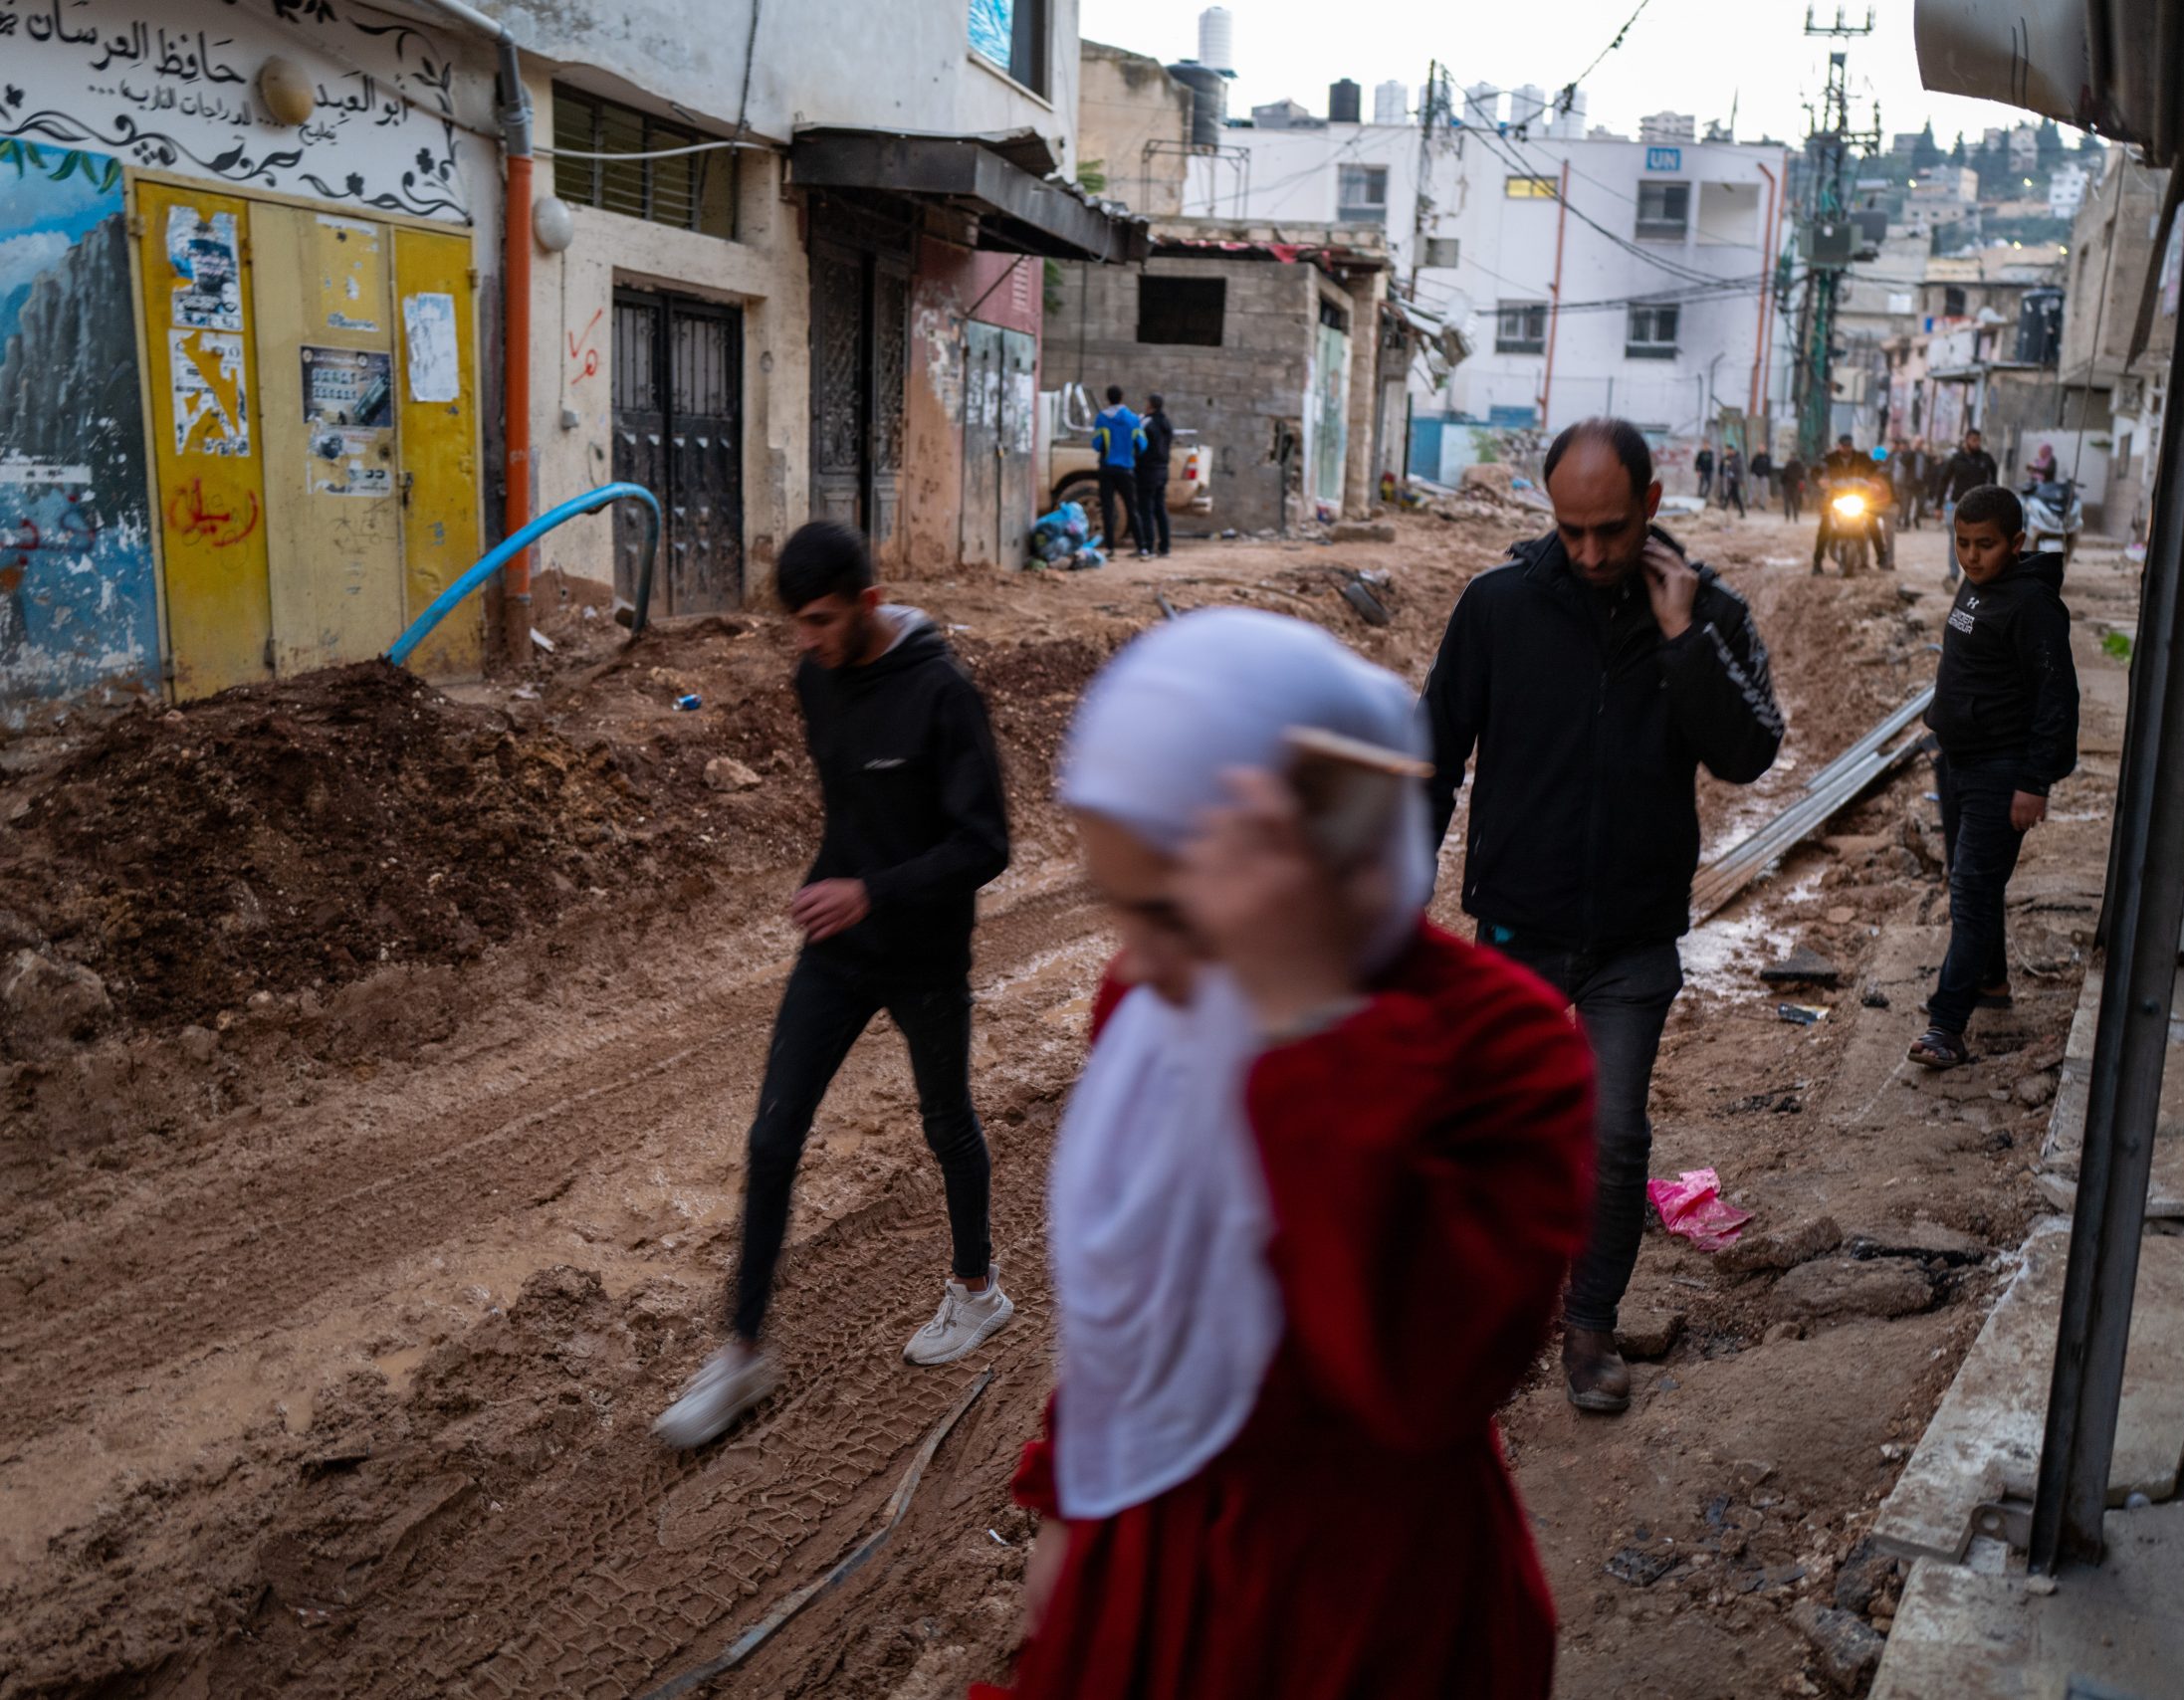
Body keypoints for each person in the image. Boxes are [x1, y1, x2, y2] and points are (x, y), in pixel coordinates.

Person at [982, 610, 1595, 1699]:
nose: (1138, 961)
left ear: (1316, 847)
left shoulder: (1503, 1043)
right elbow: (1135, 1307)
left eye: (1170, 911)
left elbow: (1423, 1380)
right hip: (1151, 1560)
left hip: (1358, 1608)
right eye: (1118, 908)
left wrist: (1305, 1022)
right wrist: (1068, 1507)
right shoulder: (1157, 1002)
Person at [1420, 418, 1784, 1414]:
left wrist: (1682, 638)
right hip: (1517, 926)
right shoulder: (1498, 605)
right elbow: (1433, 752)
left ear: (1651, 504)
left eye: (1611, 530)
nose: (1588, 553)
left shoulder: (1709, 611)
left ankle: (1589, 1329)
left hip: (1632, 932)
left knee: (1615, 1140)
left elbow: (1751, 752)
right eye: (1570, 530)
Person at [655, 522, 1013, 1449]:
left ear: (870, 601)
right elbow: (855, 810)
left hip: (925, 952)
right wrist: (833, 883)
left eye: (819, 619)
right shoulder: (815, 679)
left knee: (947, 1122)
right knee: (772, 1135)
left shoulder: (943, 694)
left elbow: (987, 845)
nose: (804, 639)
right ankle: (743, 1351)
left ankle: (977, 1292)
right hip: (838, 951)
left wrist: (872, 890)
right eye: (795, 622)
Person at [1909, 488, 2079, 1070]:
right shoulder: (1976, 585)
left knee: (1972, 895)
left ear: (2016, 542)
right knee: (1973, 887)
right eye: (1962, 543)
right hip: (1958, 761)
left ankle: (1946, 1028)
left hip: (2000, 771)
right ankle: (1991, 983)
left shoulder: (2033, 606)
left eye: (1985, 544)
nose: (1971, 556)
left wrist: (2035, 782)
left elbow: (2057, 699)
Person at [1813, 434, 1885, 574]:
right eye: (1844, 446)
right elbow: (1815, 472)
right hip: (1835, 499)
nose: (1847, 449)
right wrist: (1820, 480)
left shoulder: (1862, 458)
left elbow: (1875, 471)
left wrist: (1875, 483)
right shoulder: (1829, 459)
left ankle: (1882, 558)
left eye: (1849, 446)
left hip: (1857, 497)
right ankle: (1817, 563)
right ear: (1838, 446)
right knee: (1824, 527)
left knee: (1872, 522)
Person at [1091, 386, 1147, 556]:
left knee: (1108, 508)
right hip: (1126, 469)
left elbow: (1096, 444)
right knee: (1132, 508)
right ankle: (1142, 548)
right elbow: (1142, 444)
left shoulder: (1102, 418)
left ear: (1107, 398)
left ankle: (1110, 549)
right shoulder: (1133, 419)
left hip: (1107, 468)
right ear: (1122, 397)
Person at [1939, 428, 1999, 587]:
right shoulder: (1956, 459)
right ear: (1966, 441)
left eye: (1978, 440)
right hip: (1957, 505)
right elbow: (1944, 481)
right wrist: (1938, 506)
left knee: (1978, 542)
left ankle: (1975, 577)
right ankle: (1953, 575)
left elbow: (1993, 482)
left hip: (1979, 507)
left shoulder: (1986, 459)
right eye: (1973, 440)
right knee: (1955, 540)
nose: (1976, 443)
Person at [1135, 392, 1175, 560]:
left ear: (1150, 405)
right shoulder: (1166, 423)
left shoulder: (1147, 422)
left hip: (1147, 470)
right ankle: (1165, 547)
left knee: (1146, 510)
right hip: (1162, 470)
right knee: (1160, 509)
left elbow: (1138, 442)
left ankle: (1148, 546)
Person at [1781, 452, 1809, 522]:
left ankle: (1789, 517)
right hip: (1793, 485)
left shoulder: (1789, 464)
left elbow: (1784, 475)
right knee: (1794, 502)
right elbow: (1803, 476)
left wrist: (1783, 482)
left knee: (1789, 502)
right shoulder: (1798, 465)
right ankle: (1794, 517)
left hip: (1790, 485)